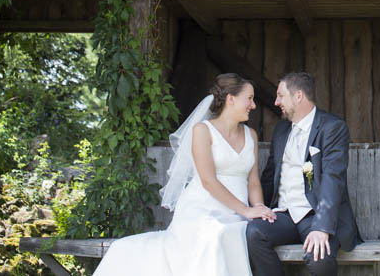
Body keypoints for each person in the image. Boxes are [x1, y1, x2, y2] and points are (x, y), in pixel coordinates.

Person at [93, 73, 275, 276]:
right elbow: (208, 180)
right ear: (231, 99)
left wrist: (258, 207)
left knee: (241, 234)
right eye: (249, 98)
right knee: (213, 235)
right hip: (204, 209)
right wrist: (246, 210)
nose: (253, 105)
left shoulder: (251, 135)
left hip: (239, 214)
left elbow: (253, 181)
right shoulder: (202, 131)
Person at [246, 71, 360, 276]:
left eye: (281, 95)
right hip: (284, 215)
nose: (276, 101)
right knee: (254, 233)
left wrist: (322, 228)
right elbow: (269, 176)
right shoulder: (281, 130)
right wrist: (257, 208)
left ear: (298, 96)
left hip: (315, 215)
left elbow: (333, 179)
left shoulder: (332, 127)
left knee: (319, 257)